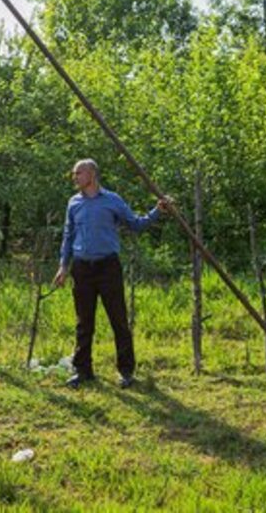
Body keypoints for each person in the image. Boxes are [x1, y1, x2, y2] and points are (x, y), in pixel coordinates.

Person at [53, 159, 170, 389]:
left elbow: (136, 224)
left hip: (108, 267)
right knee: (84, 322)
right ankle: (83, 371)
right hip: (82, 267)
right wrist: (63, 267)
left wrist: (157, 211)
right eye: (74, 173)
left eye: (78, 173)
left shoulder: (112, 200)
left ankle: (126, 372)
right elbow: (68, 235)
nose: (74, 177)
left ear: (92, 175)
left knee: (118, 319)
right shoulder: (73, 203)